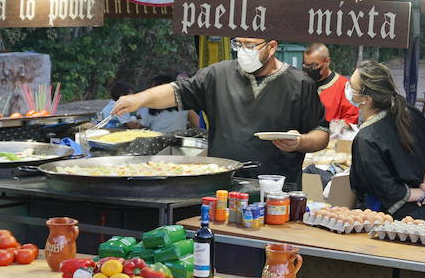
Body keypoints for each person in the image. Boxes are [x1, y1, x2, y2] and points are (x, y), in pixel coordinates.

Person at [109, 37, 328, 190]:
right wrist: (139, 99)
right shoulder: (217, 75)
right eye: (238, 44)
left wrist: (300, 142)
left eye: (250, 45)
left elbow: (321, 134)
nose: (243, 51)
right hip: (223, 185)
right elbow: (177, 91)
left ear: (271, 47)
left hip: (277, 188)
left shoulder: (300, 84)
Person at [347, 61, 425, 219]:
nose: (349, 91)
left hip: (393, 222)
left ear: (366, 98)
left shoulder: (366, 138)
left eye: (352, 87)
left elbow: (387, 189)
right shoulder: (410, 113)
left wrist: (423, 192)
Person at [302, 43, 358, 135]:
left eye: (313, 66)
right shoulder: (302, 83)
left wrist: (338, 127)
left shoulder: (343, 86)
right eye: (306, 66)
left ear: (327, 61)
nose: (309, 69)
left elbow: (351, 119)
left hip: (330, 143)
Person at [128, 71, 198, 133]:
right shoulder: (184, 104)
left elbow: (138, 129)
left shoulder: (149, 108)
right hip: (178, 144)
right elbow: (197, 124)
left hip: (157, 145)